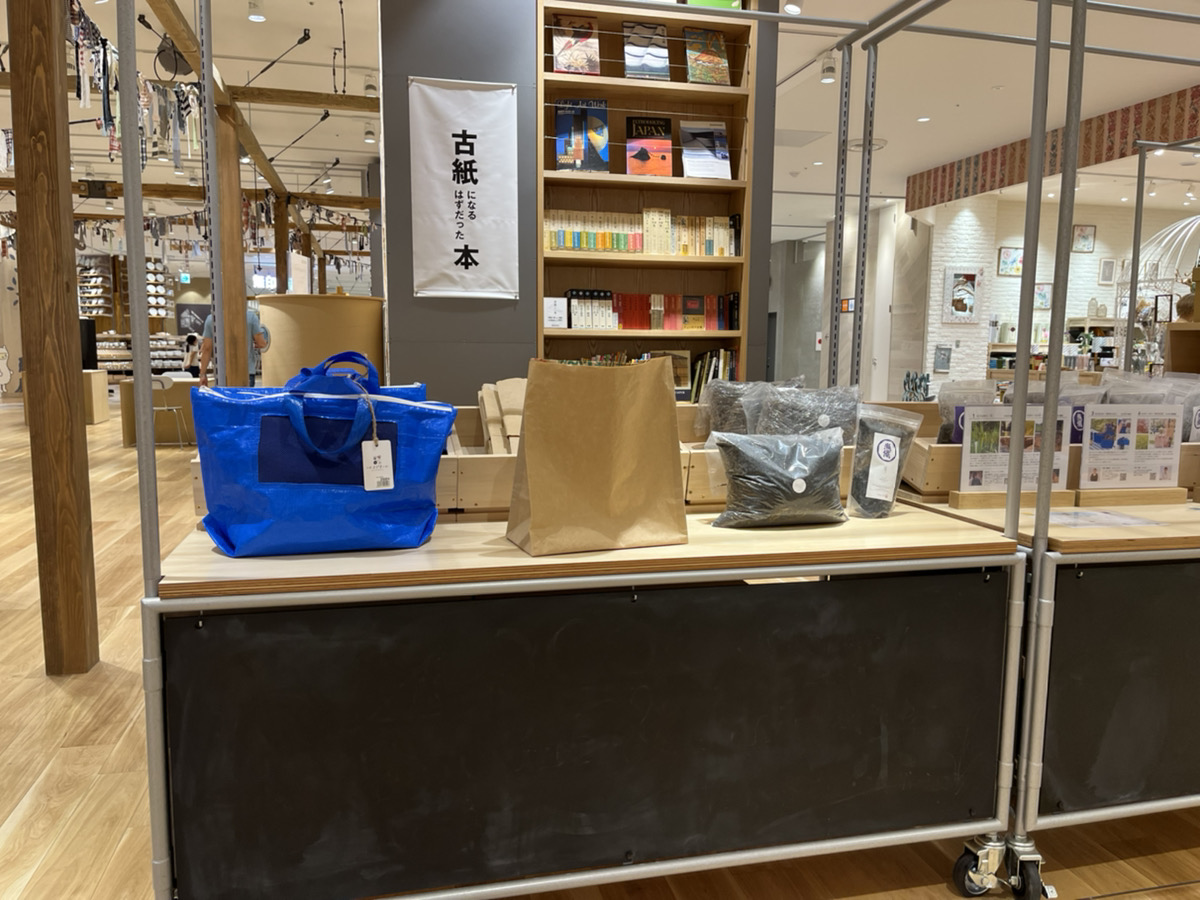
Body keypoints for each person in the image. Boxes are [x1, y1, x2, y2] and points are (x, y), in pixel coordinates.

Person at [198, 308, 268, 387]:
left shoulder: (212, 319)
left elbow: (207, 349)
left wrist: (202, 374)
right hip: (246, 372)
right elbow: (261, 343)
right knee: (244, 395)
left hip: (222, 373)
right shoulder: (251, 317)